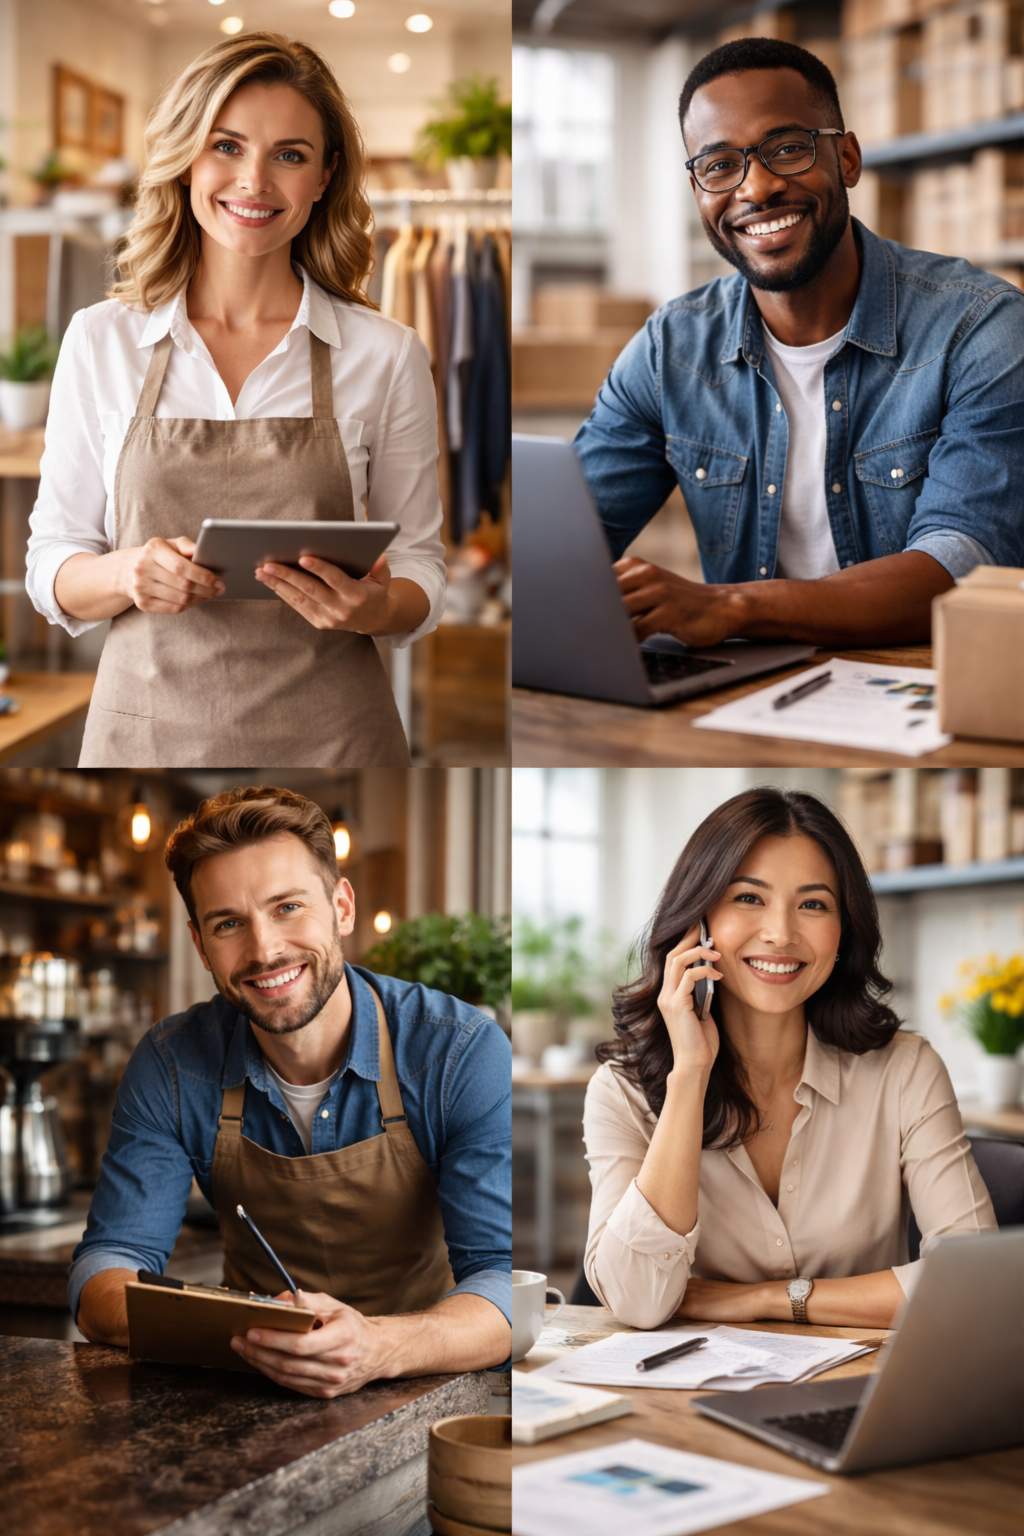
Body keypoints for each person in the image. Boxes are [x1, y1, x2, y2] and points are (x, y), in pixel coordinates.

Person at [27, 33, 446, 767]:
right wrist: (128, 573)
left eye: (290, 154)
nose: (254, 181)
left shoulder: (387, 354)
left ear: (324, 177)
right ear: (187, 157)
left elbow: (421, 565)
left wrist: (380, 606)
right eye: (226, 146)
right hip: (141, 735)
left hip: (339, 736)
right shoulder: (100, 340)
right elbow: (53, 562)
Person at [573, 38, 1024, 651]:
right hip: (745, 704)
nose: (755, 189)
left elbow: (961, 568)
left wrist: (730, 607)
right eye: (719, 165)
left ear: (847, 158)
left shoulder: (981, 326)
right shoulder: (670, 348)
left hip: (930, 699)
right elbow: (571, 541)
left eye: (786, 150)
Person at [71, 786, 511, 1397]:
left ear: (342, 907)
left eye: (287, 908)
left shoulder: (458, 1051)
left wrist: (376, 1346)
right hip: (242, 1386)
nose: (264, 950)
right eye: (228, 924)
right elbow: (106, 1267)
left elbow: (500, 1283)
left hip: (423, 1384)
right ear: (201, 945)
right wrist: (251, 1333)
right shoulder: (172, 1063)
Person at [583, 786, 995, 1332]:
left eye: (812, 904)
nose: (780, 933)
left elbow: (973, 1283)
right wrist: (689, 1076)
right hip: (683, 1406)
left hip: (865, 1399)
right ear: (696, 923)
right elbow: (636, 1302)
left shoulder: (905, 1070)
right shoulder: (622, 1090)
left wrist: (764, 1298)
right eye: (748, 898)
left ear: (843, 932)